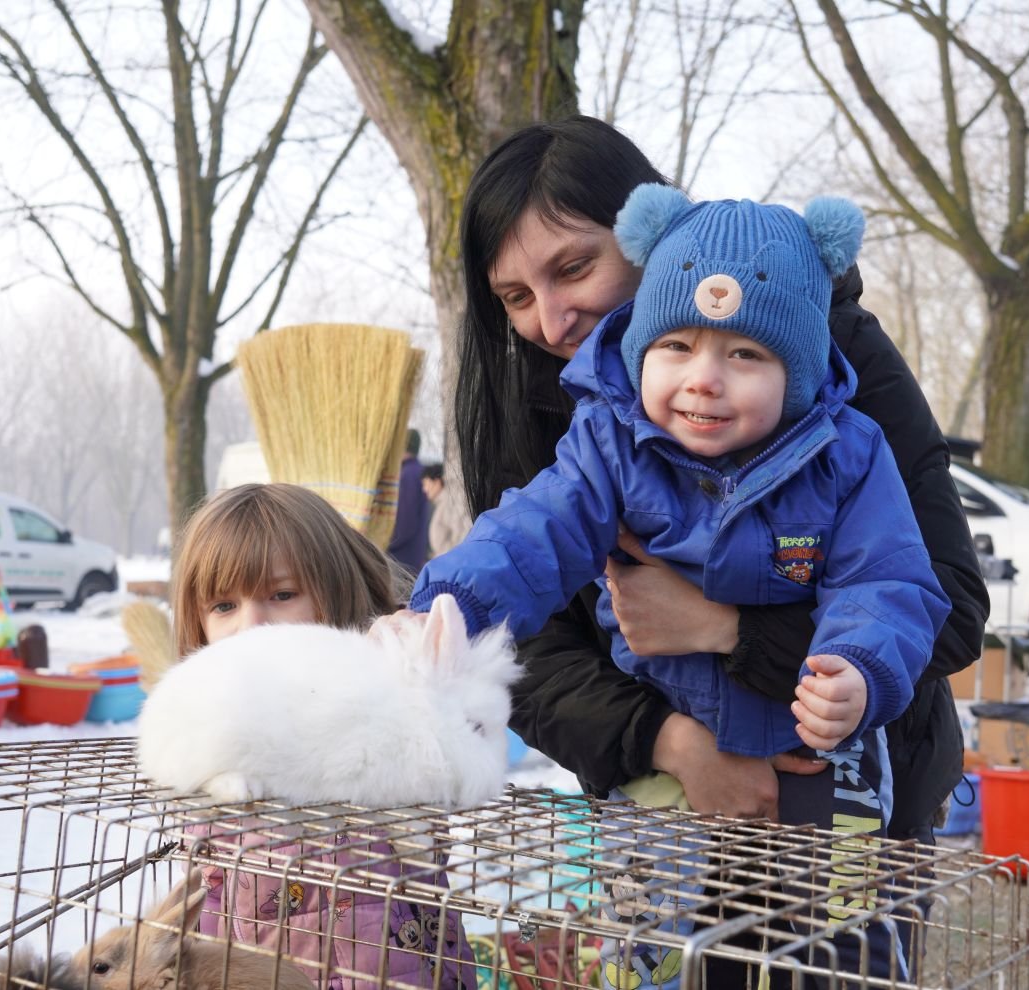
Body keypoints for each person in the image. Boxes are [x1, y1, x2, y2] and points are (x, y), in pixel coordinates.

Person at [410, 187, 950, 984]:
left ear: (796, 374)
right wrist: (450, 606)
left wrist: (857, 669)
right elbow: (532, 534)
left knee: (838, 944)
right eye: (676, 347)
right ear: (639, 351)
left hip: (819, 754)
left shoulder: (847, 452)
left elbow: (889, 580)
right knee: (662, 955)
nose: (704, 380)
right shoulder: (610, 441)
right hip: (668, 761)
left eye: (745, 356)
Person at [451, 116, 987, 843]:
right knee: (669, 955)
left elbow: (941, 606)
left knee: (841, 949)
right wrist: (674, 746)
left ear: (647, 238)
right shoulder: (547, 410)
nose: (551, 320)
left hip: (844, 783)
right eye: (514, 297)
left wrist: (721, 627)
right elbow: (525, 641)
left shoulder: (832, 363)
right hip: (661, 791)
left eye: (573, 268)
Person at [167, 483, 474, 988]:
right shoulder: (211, 749)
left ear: (333, 595)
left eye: (282, 595)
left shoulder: (381, 696)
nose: (253, 626)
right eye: (224, 607)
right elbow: (208, 896)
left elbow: (437, 800)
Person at [386, 428, 429, 574]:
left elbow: (405, 522)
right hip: (414, 553)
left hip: (403, 558)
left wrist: (386, 543)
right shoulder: (418, 470)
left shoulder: (407, 475)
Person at [422, 462, 472, 557]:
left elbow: (459, 537)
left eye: (425, 483)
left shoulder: (450, 503)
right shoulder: (442, 502)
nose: (424, 489)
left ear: (437, 482)